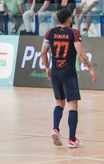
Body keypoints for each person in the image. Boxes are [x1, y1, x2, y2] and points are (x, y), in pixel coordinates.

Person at [40, 9, 97, 148]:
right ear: (69, 19)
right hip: (68, 73)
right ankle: (72, 140)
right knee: (73, 105)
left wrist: (47, 68)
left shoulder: (50, 32)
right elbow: (81, 54)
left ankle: (55, 129)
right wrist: (90, 68)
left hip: (55, 72)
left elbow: (43, 53)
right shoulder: (74, 33)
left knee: (59, 103)